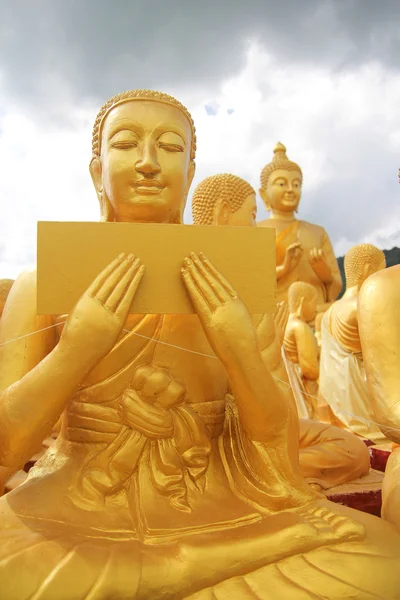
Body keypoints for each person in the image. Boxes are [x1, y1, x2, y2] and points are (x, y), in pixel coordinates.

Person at [0, 91, 399, 600]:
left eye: (169, 147)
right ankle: (198, 565)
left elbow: (275, 447)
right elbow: (7, 449)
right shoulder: (42, 283)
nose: (147, 162)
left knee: (383, 560)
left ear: (190, 173)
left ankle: (188, 564)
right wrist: (77, 349)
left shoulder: (233, 283)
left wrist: (235, 343)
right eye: (126, 145)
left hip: (221, 508)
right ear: (97, 170)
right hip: (75, 514)